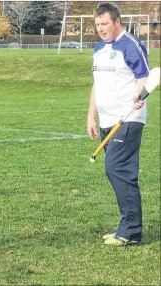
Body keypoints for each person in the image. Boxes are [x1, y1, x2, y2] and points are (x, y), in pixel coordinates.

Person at [87, 3, 150, 246]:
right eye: (97, 25)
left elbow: (145, 76)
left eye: (104, 24)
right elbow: (97, 84)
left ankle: (131, 232)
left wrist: (138, 97)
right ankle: (127, 227)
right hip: (106, 120)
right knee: (119, 174)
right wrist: (90, 116)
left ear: (117, 22)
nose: (101, 29)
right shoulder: (99, 48)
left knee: (117, 169)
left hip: (128, 119)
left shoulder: (130, 45)